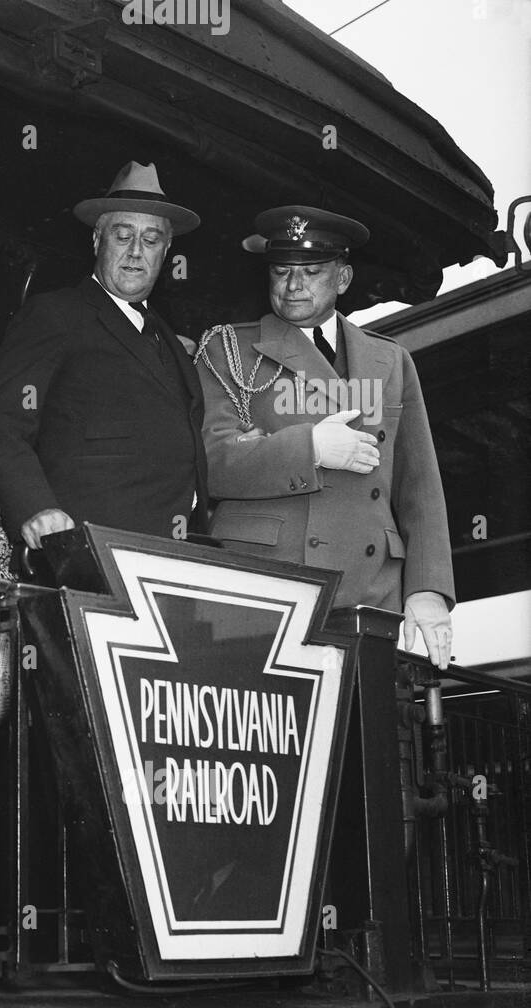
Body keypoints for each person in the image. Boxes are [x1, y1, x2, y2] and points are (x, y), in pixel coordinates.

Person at [194, 206, 454, 667]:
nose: (293, 286)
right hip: (268, 584)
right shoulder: (227, 348)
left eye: (311, 271)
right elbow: (211, 463)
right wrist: (310, 448)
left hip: (371, 588)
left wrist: (428, 589)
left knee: (366, 732)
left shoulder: (390, 360)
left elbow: (419, 487)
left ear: (344, 278)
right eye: (281, 271)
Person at [0, 161, 209, 554]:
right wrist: (36, 508)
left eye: (151, 240)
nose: (136, 252)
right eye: (122, 235)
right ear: (97, 240)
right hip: (85, 552)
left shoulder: (169, 342)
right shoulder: (56, 314)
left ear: (167, 251)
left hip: (169, 558)